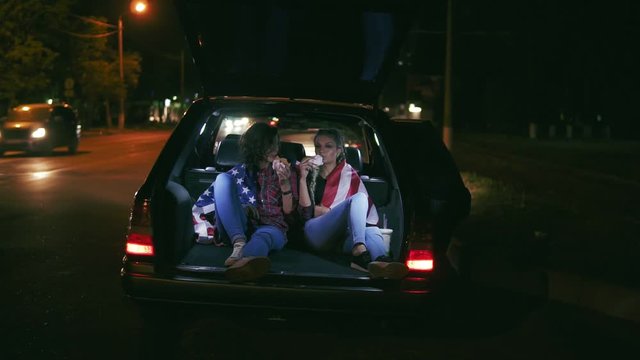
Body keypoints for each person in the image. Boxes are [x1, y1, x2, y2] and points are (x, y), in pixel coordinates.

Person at [193, 122, 298, 282]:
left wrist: (284, 183)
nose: (274, 149)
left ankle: (244, 262)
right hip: (237, 227)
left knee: (263, 236)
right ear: (255, 146)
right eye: (268, 144)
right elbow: (219, 202)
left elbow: (289, 210)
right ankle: (239, 244)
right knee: (222, 179)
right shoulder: (239, 172)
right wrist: (244, 207)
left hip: (271, 227)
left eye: (275, 144)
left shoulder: (285, 170)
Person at [297, 129, 408, 279]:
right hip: (315, 232)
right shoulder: (308, 173)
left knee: (372, 230)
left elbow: (364, 218)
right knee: (359, 199)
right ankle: (360, 252)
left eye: (328, 146)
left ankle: (381, 264)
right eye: (318, 146)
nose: (321, 150)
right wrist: (303, 179)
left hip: (342, 237)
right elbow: (303, 212)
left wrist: (326, 210)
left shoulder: (349, 175)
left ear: (338, 151)